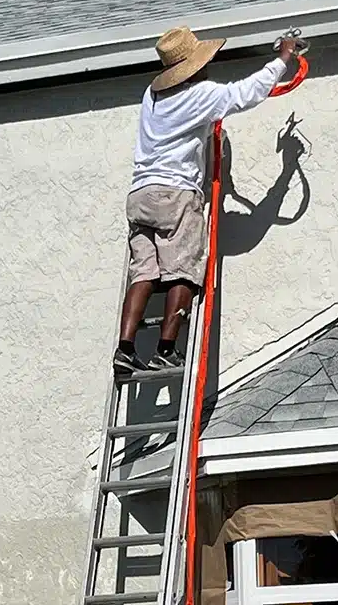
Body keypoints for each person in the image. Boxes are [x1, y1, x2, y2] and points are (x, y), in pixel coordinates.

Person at [113, 25, 300, 376]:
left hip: (140, 194)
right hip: (176, 194)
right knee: (183, 268)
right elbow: (246, 93)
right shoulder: (199, 95)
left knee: (144, 273)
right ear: (194, 66)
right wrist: (284, 58)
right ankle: (166, 350)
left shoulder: (151, 96)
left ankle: (124, 349)